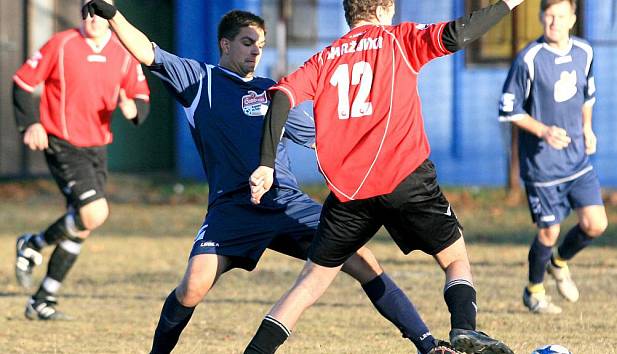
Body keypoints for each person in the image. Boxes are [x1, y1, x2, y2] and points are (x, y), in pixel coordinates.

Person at [81, 2, 459, 353]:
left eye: (259, 45)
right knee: (193, 286)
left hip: (285, 202)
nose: (255, 52)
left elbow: (324, 133)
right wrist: (113, 16)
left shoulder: (272, 92)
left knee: (363, 261)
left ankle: (428, 345)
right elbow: (148, 50)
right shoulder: (200, 80)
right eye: (247, 43)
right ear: (224, 44)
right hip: (232, 209)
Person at [246, 0, 526, 353]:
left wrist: (266, 163)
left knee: (311, 281)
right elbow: (457, 35)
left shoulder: (326, 58)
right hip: (406, 178)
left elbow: (282, 97)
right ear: (383, 10)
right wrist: (508, 4)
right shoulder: (400, 39)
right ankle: (463, 329)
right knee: (455, 259)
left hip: (350, 191)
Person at [13, 0, 150, 320]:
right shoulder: (61, 44)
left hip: (97, 147)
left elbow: (141, 97)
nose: (92, 16)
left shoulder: (123, 52)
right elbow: (22, 83)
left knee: (83, 224)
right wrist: (31, 123)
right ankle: (34, 244)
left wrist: (133, 111)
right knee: (94, 212)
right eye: (88, 9)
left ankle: (43, 299)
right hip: (63, 142)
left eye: (100, 10)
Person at [498, 0, 607, 315]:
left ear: (573, 19)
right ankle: (533, 291)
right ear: (540, 18)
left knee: (596, 224)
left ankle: (558, 263)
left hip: (576, 160)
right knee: (549, 231)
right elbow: (508, 109)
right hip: (542, 166)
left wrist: (587, 129)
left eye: (561, 16)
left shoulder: (584, 52)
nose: (554, 22)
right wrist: (543, 131)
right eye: (548, 16)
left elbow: (588, 94)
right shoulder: (529, 59)